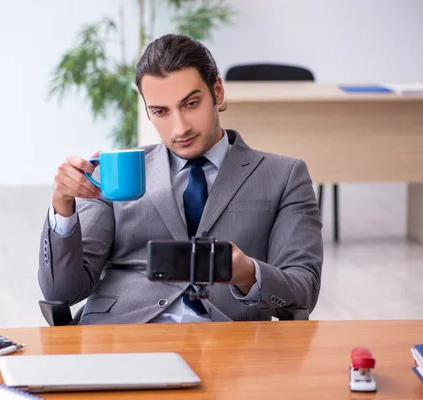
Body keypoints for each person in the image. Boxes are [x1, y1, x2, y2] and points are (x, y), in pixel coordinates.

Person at [38, 33, 323, 325]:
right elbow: (62, 291)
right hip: (121, 336)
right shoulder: (114, 173)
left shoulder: (284, 176)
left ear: (218, 92)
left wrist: (247, 273)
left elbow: (303, 291)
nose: (180, 127)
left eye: (191, 104)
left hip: (226, 345)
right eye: (160, 112)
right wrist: (63, 204)